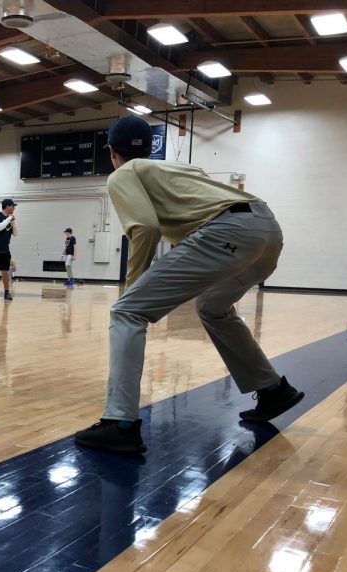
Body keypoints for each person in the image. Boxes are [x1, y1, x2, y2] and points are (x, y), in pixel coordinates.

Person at [75, 115, 304, 453]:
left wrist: (134, 289)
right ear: (150, 150)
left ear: (111, 151)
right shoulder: (177, 168)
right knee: (213, 308)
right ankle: (272, 390)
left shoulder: (123, 173)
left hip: (228, 231)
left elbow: (146, 229)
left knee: (127, 312)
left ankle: (120, 423)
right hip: (266, 228)